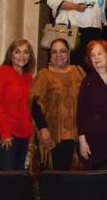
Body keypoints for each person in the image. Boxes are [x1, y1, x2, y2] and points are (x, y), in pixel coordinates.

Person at [30, 39, 86, 170]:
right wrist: (43, 129)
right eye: (54, 52)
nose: (58, 55)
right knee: (53, 176)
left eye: (63, 51)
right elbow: (34, 104)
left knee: (72, 179)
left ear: (69, 54)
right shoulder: (44, 74)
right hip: (52, 133)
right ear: (50, 55)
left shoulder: (79, 71)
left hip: (77, 133)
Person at [0, 39, 36, 170]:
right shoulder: (1, 73)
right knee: (7, 174)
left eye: (26, 52)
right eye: (17, 52)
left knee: (19, 174)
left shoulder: (29, 77)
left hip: (23, 132)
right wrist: (4, 133)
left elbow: (28, 107)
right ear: (11, 54)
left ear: (30, 56)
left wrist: (30, 133)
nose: (22, 56)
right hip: (4, 130)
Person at [77, 40, 107, 170]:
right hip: (93, 139)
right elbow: (81, 113)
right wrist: (82, 140)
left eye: (99, 54)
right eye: (92, 55)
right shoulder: (87, 81)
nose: (96, 58)